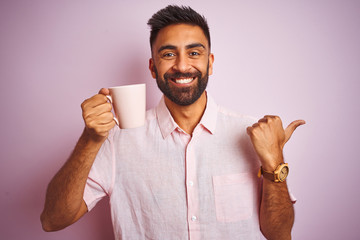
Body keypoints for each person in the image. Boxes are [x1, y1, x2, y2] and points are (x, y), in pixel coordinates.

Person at [41, 5, 305, 240]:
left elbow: (280, 235)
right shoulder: (116, 139)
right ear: (153, 67)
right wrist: (90, 139)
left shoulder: (252, 134)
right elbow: (53, 220)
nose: (182, 65)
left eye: (194, 53)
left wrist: (274, 165)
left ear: (209, 63)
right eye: (168, 54)